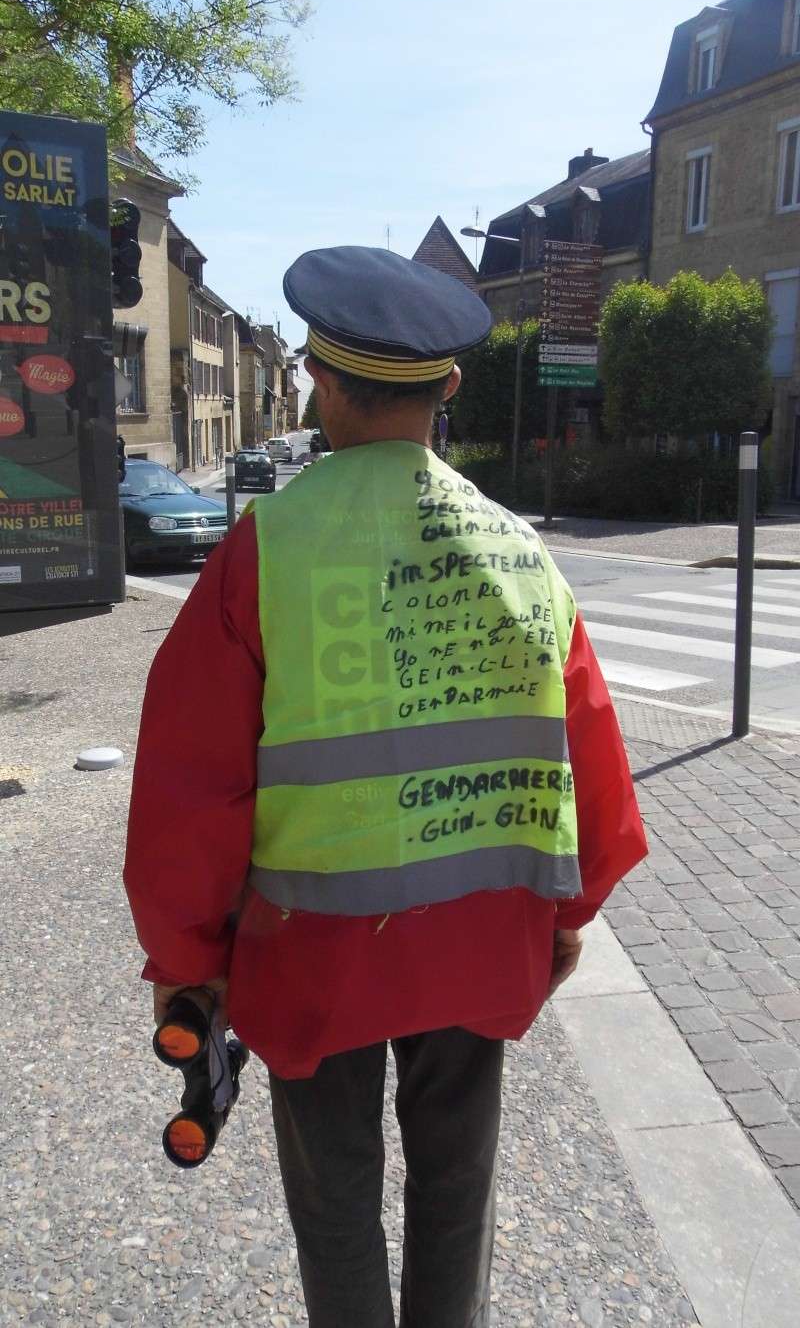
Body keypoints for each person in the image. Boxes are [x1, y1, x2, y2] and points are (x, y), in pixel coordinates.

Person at [124, 245, 647, 1328]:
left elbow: (189, 792)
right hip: (481, 937)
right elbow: (591, 764)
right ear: (449, 388)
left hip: (308, 950)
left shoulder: (267, 552)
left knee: (334, 1203)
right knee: (457, 1190)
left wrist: (190, 966)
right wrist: (563, 918)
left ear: (318, 380)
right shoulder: (519, 552)